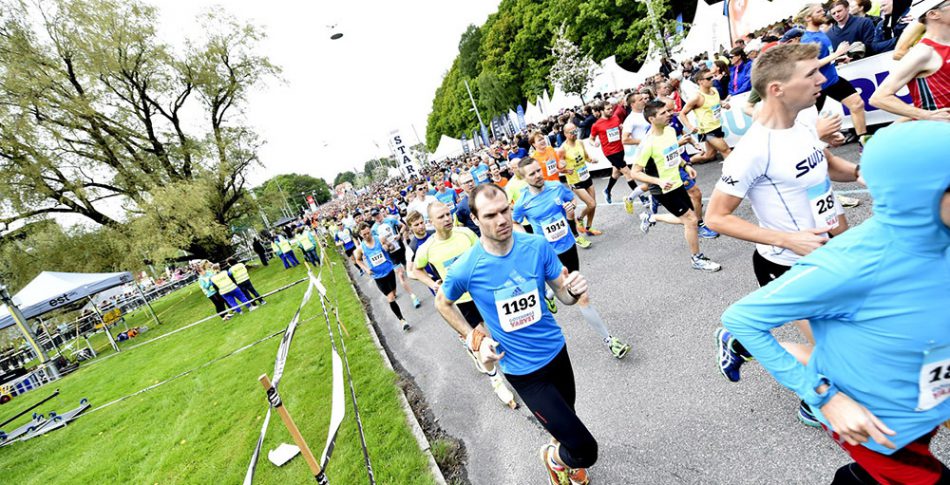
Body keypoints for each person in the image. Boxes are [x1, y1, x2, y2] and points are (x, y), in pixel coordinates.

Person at [721, 121, 950, 485]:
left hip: (922, 399)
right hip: (876, 425)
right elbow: (742, 315)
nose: (816, 78)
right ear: (921, 192)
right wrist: (823, 397)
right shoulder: (851, 263)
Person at [705, 43, 862, 426]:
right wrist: (786, 239)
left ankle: (741, 342)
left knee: (853, 341)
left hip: (833, 252)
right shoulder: (751, 151)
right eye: (809, 74)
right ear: (776, 88)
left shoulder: (804, 126)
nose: (821, 79)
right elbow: (716, 217)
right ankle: (811, 397)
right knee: (840, 354)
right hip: (790, 265)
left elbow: (826, 167)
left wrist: (864, 174)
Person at [434, 183, 598, 485]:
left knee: (567, 423)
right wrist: (476, 339)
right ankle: (553, 459)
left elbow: (561, 292)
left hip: (556, 352)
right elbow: (442, 303)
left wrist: (573, 292)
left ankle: (563, 459)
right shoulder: (467, 268)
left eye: (505, 210)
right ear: (474, 219)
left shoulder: (536, 246)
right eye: (490, 215)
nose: (501, 220)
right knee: (587, 450)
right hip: (524, 372)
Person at [514, 158, 631, 359]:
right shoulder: (523, 201)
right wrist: (529, 240)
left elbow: (571, 201)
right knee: (581, 295)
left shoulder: (556, 187)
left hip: (568, 246)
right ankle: (610, 340)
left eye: (538, 170)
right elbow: (515, 221)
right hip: (548, 255)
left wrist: (570, 212)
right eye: (532, 174)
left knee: (568, 288)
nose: (538, 175)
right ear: (524, 178)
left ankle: (551, 295)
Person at [412, 202, 518, 408]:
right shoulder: (426, 248)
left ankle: (510, 362)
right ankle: (496, 381)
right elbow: (416, 270)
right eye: (441, 217)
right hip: (461, 302)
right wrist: (433, 284)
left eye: (448, 214)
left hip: (483, 293)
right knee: (483, 340)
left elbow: (483, 252)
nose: (447, 219)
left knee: (503, 329)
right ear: (430, 222)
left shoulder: (465, 234)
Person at [632, 100, 722, 272]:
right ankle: (697, 259)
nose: (669, 114)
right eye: (663, 113)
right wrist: (658, 181)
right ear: (652, 119)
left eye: (668, 111)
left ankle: (652, 217)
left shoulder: (670, 131)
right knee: (691, 220)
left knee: (688, 220)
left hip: (677, 182)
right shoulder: (647, 143)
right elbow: (635, 172)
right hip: (663, 189)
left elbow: (672, 153)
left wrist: (685, 166)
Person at [799, 4, 871, 146]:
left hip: (832, 80)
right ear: (808, 18)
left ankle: (863, 142)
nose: (823, 13)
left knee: (857, 104)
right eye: (818, 11)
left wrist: (837, 59)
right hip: (819, 85)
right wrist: (837, 53)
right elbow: (811, 65)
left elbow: (824, 58)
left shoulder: (820, 33)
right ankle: (802, 151)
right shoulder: (808, 39)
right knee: (806, 122)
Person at [870, 0, 950, 119]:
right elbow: (878, 98)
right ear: (933, 14)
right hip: (940, 131)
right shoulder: (924, 52)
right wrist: (926, 115)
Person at [353, 221, 410, 331]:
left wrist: (387, 247)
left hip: (389, 271)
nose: (367, 236)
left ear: (370, 230)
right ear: (360, 235)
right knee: (390, 298)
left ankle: (393, 294)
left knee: (393, 292)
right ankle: (402, 320)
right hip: (378, 276)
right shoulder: (360, 248)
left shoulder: (380, 239)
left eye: (368, 233)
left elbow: (392, 247)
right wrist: (366, 269)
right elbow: (358, 260)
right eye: (364, 234)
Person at [590, 100, 643, 206]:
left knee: (616, 173)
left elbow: (620, 128)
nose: (611, 110)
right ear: (601, 111)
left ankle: (607, 190)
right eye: (608, 109)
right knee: (628, 173)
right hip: (610, 152)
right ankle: (642, 198)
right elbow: (591, 139)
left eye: (611, 108)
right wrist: (594, 143)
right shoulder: (596, 125)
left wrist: (621, 128)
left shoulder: (615, 118)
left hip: (620, 149)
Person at [557, 122, 602, 236]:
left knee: (593, 205)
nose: (574, 134)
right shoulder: (562, 149)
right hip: (575, 181)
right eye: (571, 132)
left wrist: (592, 160)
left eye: (575, 131)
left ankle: (589, 228)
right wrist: (566, 170)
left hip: (586, 176)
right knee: (591, 204)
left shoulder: (580, 142)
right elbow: (558, 168)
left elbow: (586, 157)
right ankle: (579, 218)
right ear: (565, 134)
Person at [680, 68, 733, 164]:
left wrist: (723, 104)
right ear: (700, 82)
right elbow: (682, 113)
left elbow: (716, 101)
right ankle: (733, 175)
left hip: (717, 126)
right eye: (709, 78)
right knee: (726, 151)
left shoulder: (714, 90)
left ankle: (684, 163)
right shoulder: (697, 97)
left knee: (709, 155)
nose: (712, 79)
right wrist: (690, 126)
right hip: (707, 131)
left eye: (712, 77)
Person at [371, 208, 421, 308]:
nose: (377, 216)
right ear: (373, 218)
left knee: (412, 270)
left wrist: (400, 234)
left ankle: (430, 284)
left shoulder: (390, 219)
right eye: (374, 216)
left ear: (381, 213)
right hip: (391, 254)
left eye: (378, 214)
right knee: (401, 274)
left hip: (401, 249)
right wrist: (385, 245)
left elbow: (403, 226)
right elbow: (378, 244)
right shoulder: (373, 230)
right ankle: (413, 296)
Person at [454, 171, 481, 236]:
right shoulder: (461, 207)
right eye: (466, 182)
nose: (470, 184)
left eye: (471, 180)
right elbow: (461, 230)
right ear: (461, 186)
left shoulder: (485, 195)